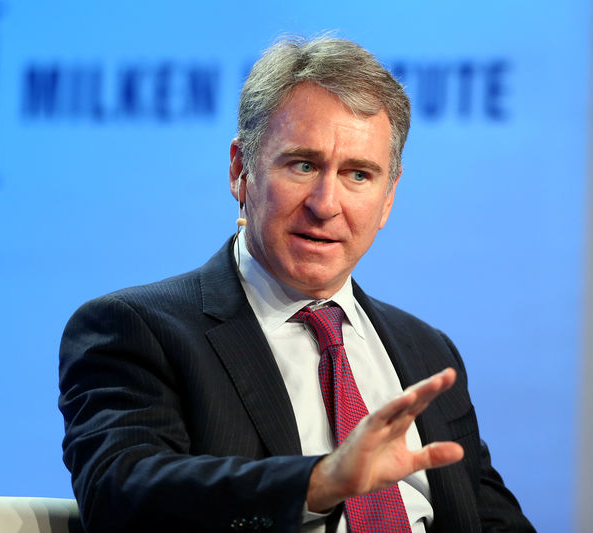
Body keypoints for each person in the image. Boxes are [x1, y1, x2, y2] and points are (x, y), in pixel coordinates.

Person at [59, 35, 534, 533]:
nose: (326, 203)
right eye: (303, 165)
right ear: (241, 171)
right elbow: (122, 492)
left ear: (388, 200)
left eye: (358, 174)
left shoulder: (427, 353)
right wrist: (322, 482)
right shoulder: (137, 329)